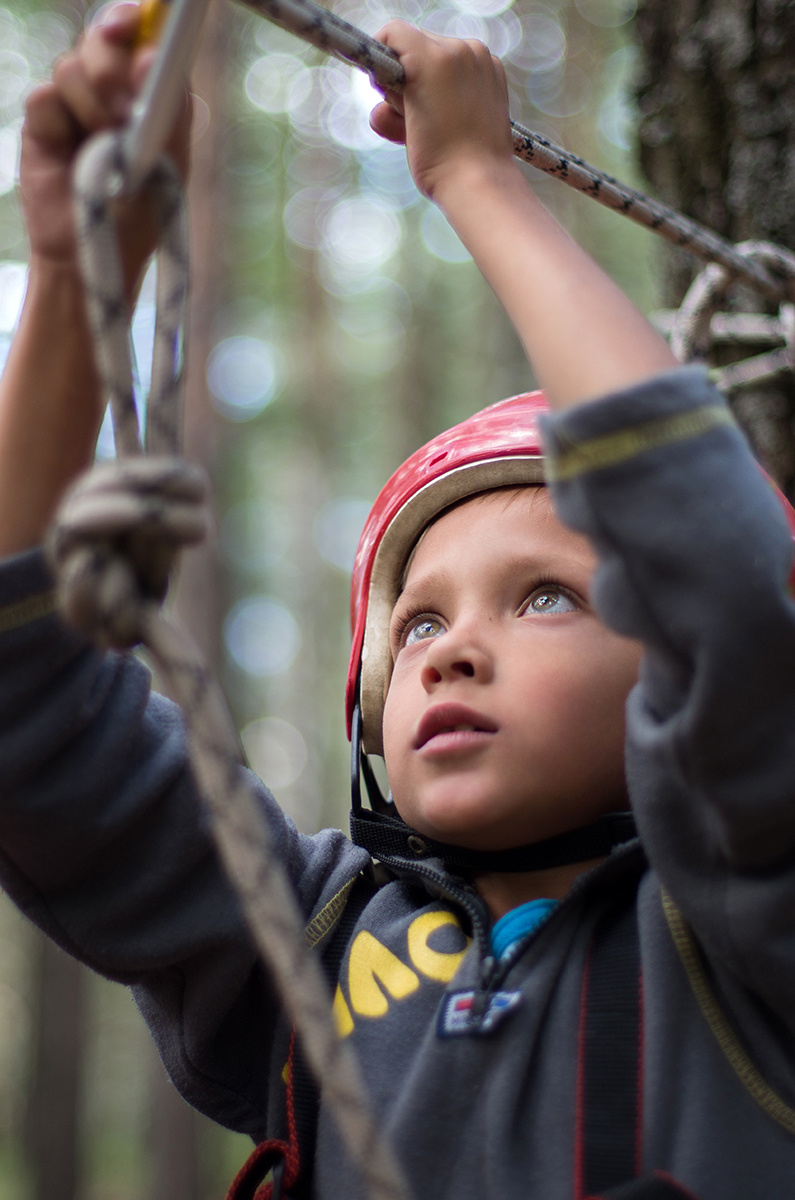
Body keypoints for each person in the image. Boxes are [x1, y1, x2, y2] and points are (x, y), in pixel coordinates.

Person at [1, 6, 795, 1199]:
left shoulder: (747, 917)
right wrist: (77, 277)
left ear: (675, 674)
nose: (451, 652)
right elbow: (25, 696)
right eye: (417, 622)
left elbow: (717, 567)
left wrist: (478, 178)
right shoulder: (302, 945)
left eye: (544, 599)